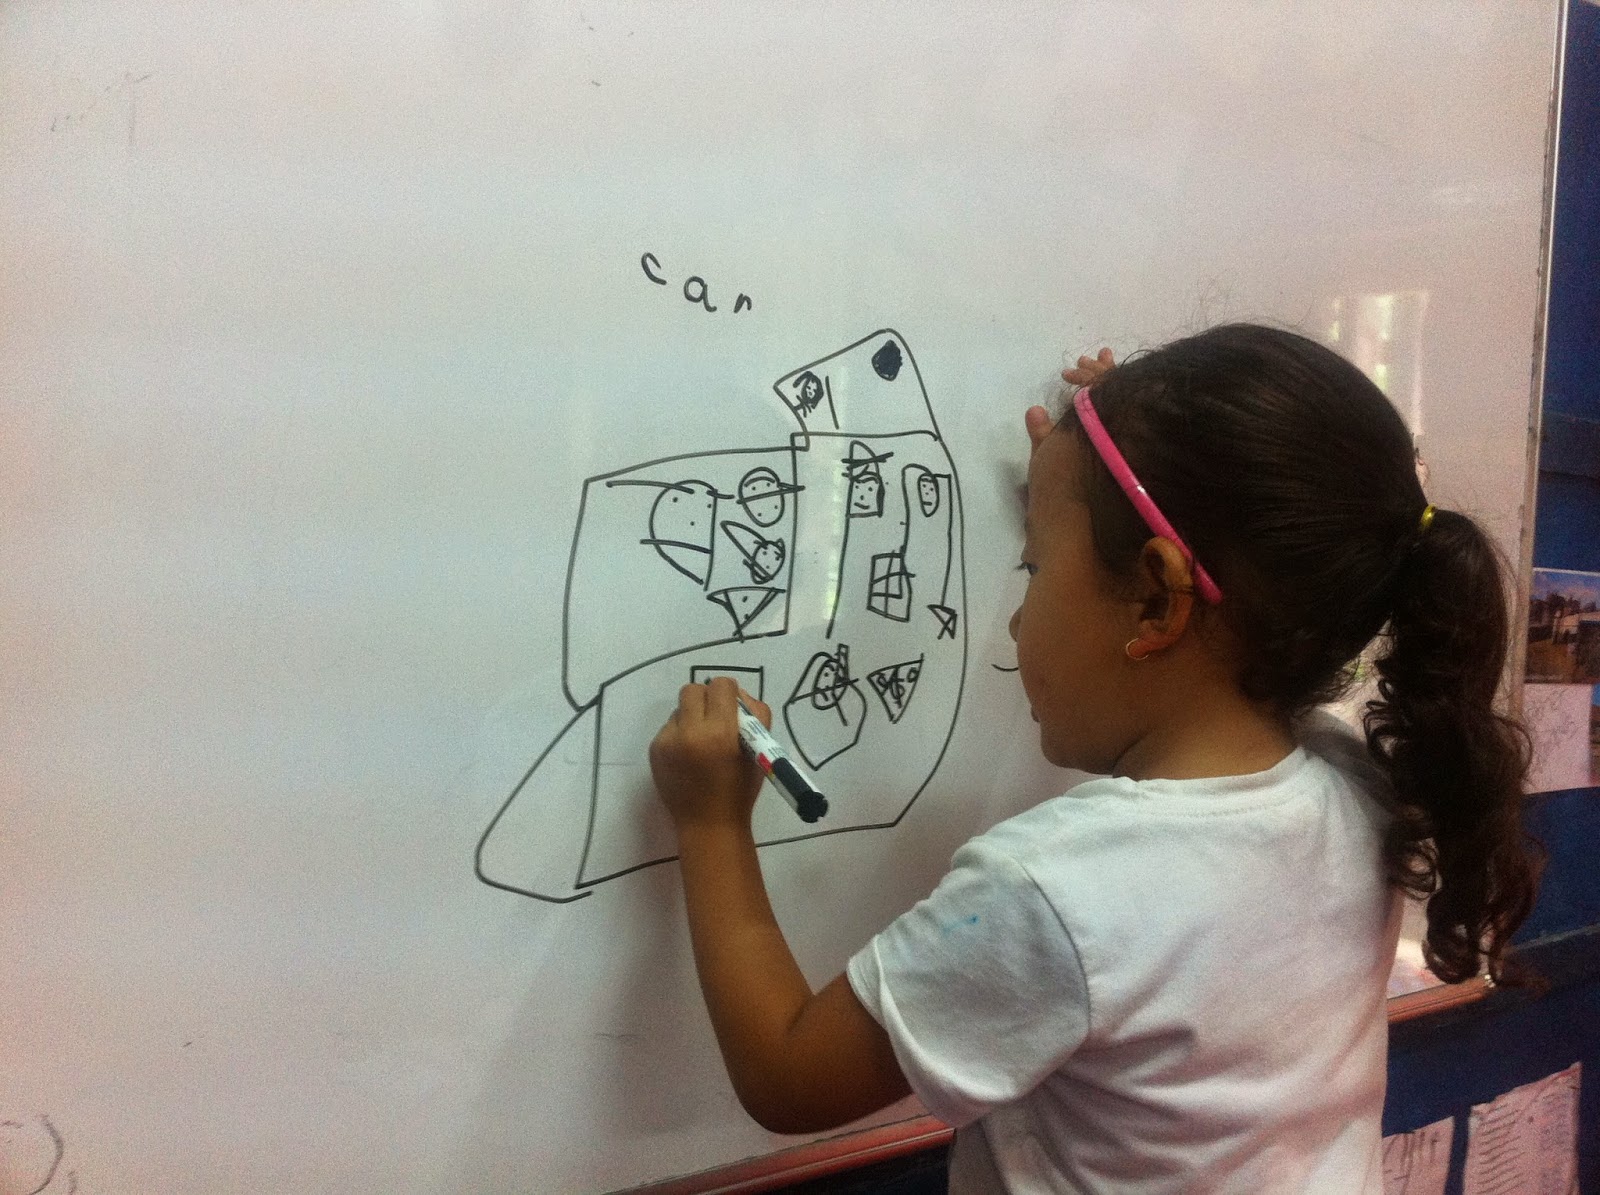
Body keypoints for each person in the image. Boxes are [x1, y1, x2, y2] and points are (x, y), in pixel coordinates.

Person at [647, 324, 1542, 1192]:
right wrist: (1093, 491)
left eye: (1033, 567)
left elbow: (788, 1072)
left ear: (1156, 602)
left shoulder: (1055, 894)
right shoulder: (1360, 782)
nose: (1014, 615)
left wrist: (712, 820)